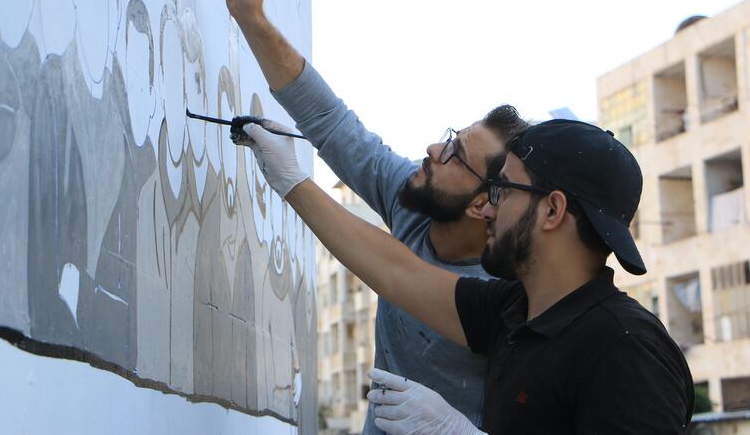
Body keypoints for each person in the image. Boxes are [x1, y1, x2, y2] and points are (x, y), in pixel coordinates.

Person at [210, 0, 528, 431]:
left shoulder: (509, 296)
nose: (432, 151)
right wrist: (252, 17)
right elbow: (329, 121)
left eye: (455, 154)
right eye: (448, 138)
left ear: (487, 202)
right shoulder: (416, 201)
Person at [235, 118, 695, 434]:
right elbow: (397, 271)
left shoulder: (625, 347)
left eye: (503, 190)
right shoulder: (513, 314)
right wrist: (291, 179)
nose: (488, 208)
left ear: (552, 209)